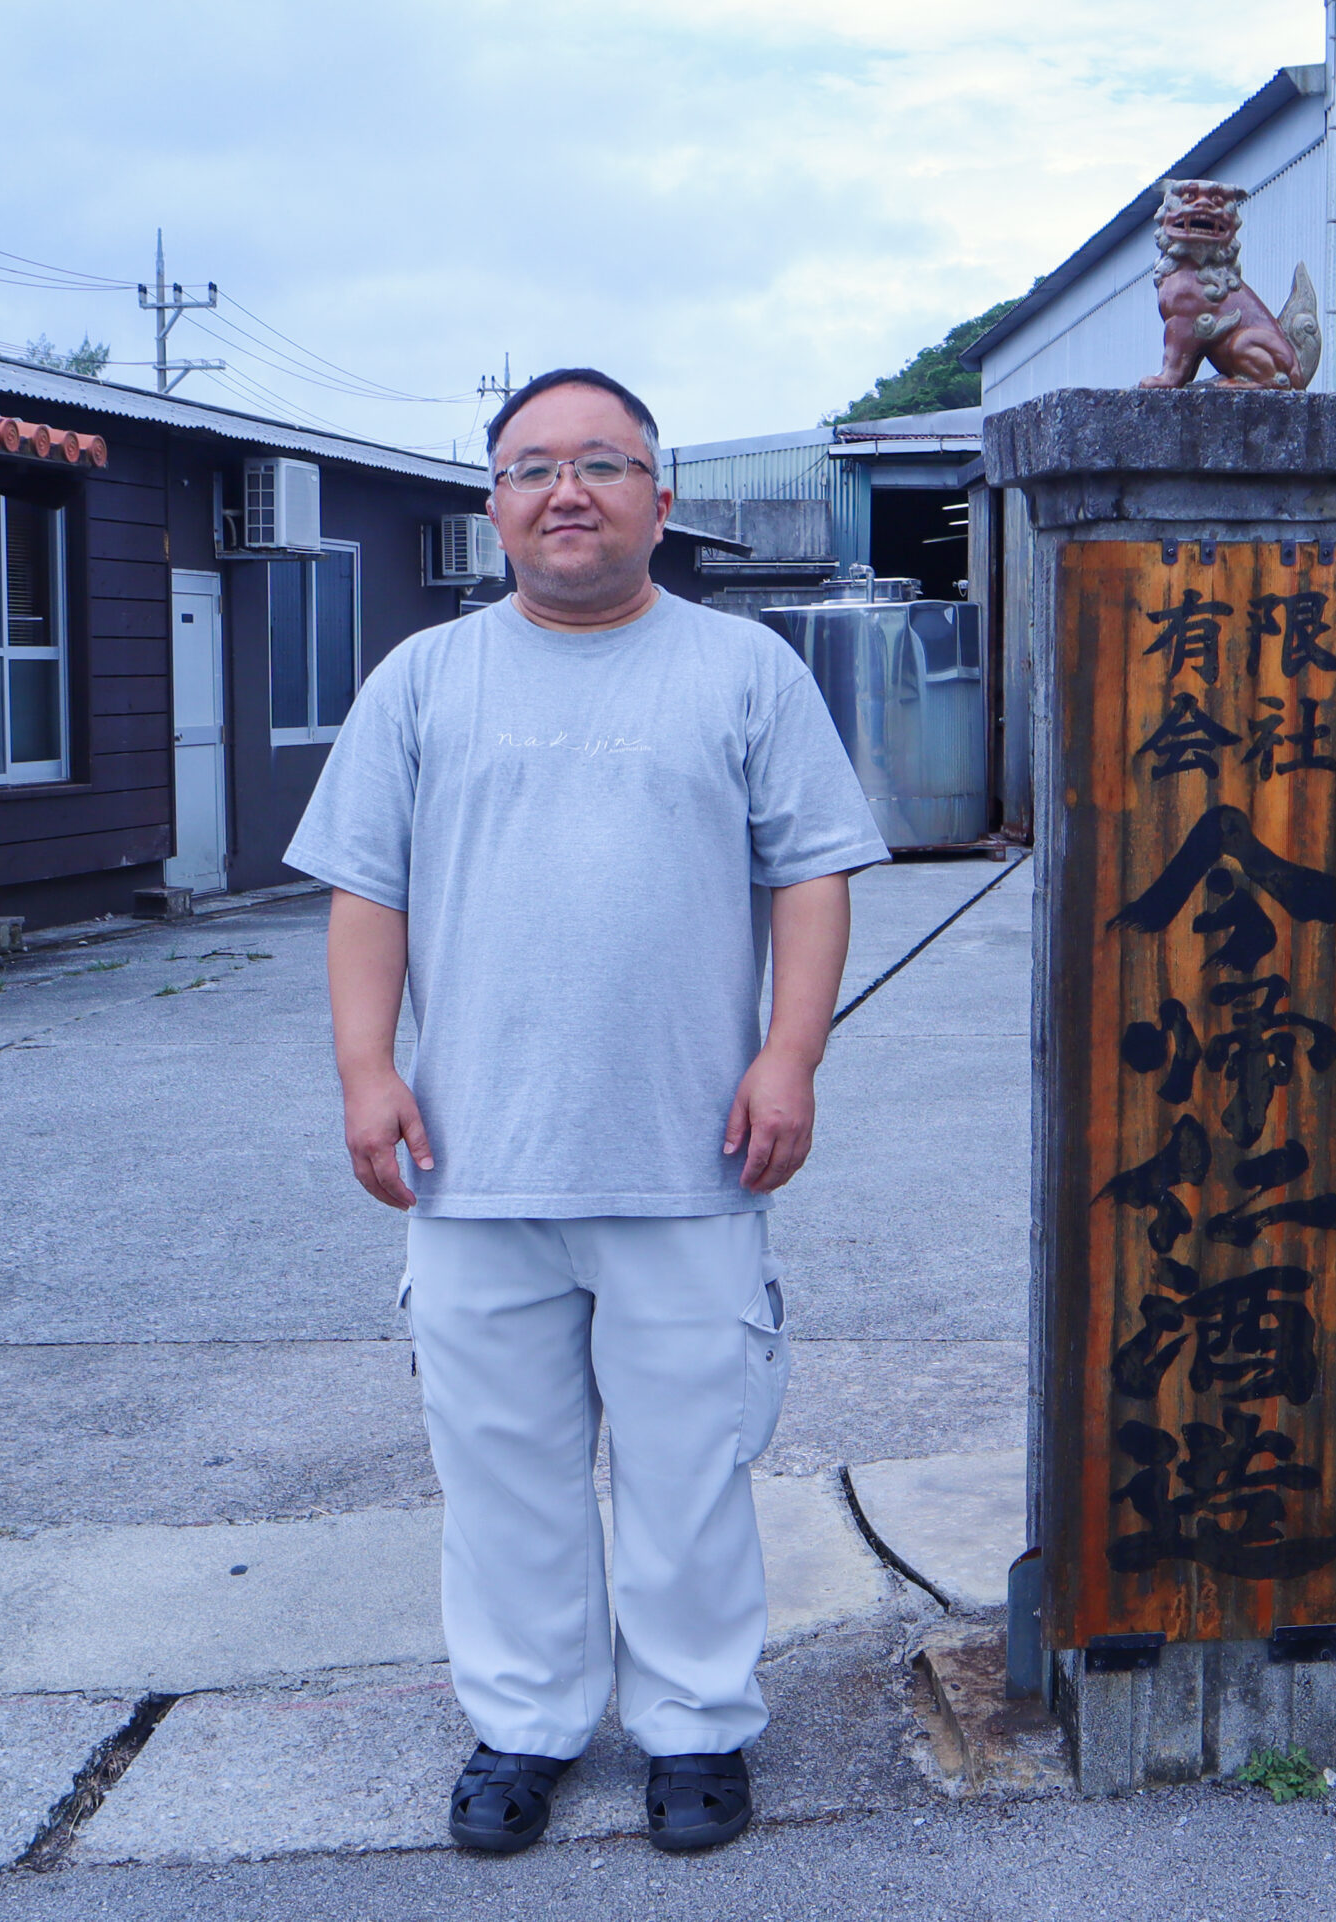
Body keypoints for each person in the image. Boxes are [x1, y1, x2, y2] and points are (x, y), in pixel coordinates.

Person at [284, 367, 885, 1855]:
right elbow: (369, 893)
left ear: (660, 501)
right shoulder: (423, 681)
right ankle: (528, 1720)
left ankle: (693, 1724)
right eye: (535, 465)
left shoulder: (745, 672)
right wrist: (369, 1072)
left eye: (605, 465)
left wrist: (789, 1054)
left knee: (689, 1466)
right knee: (503, 1474)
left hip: (691, 1154)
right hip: (473, 1159)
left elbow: (813, 874)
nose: (570, 490)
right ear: (493, 502)